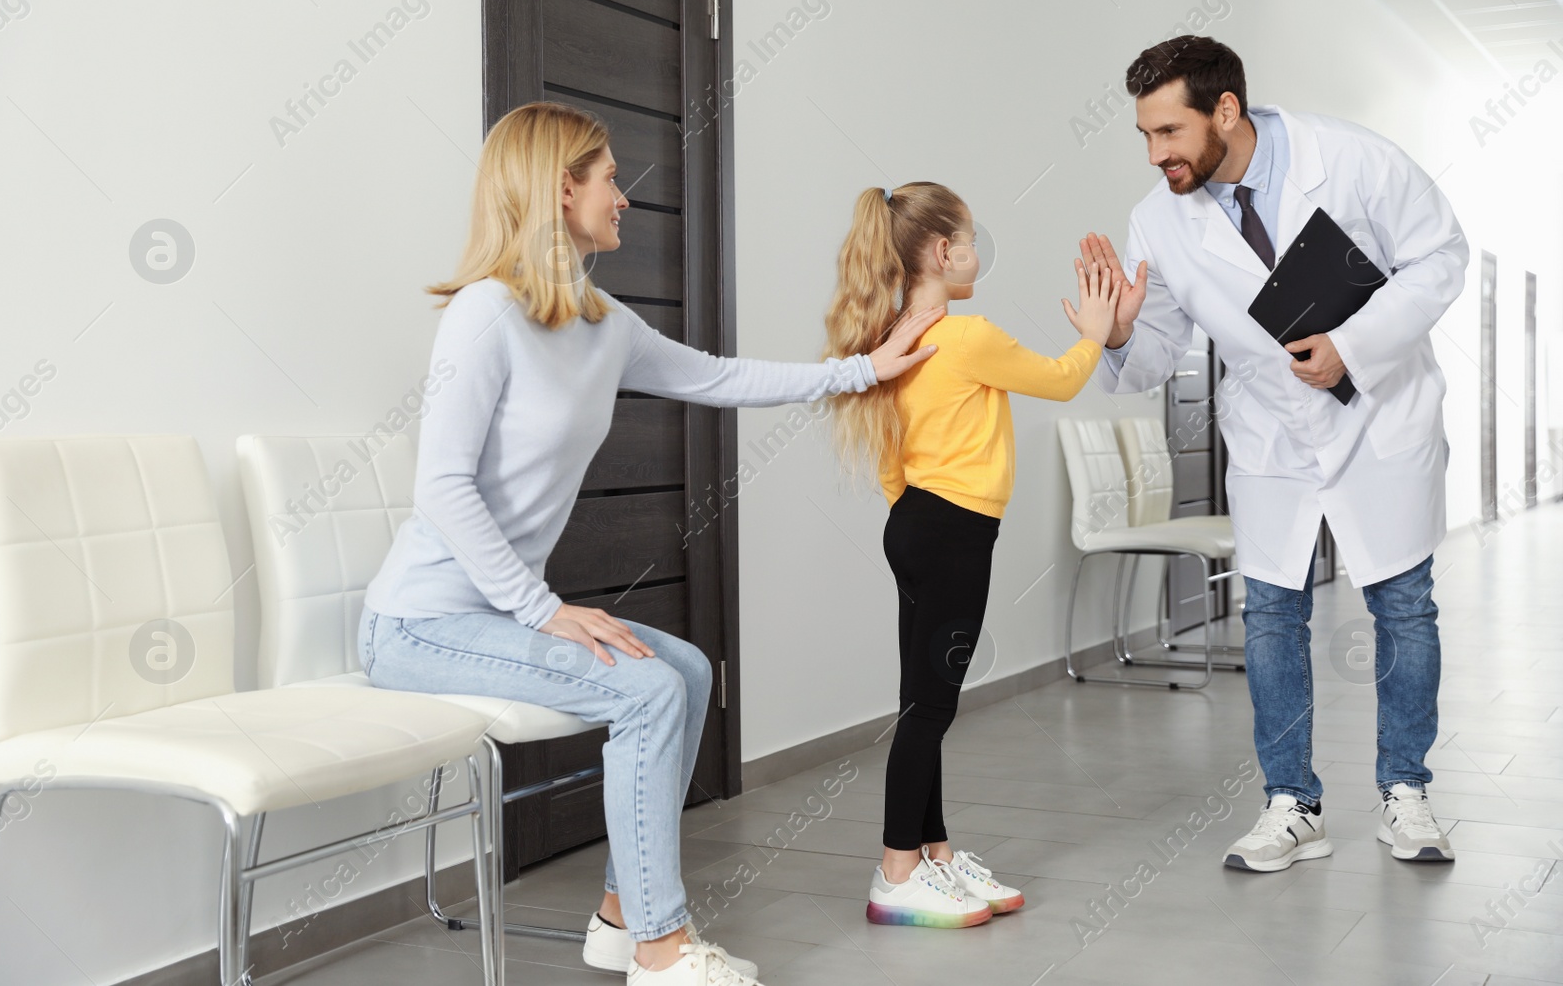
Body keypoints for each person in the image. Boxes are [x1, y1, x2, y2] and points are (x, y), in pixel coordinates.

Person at [358, 101, 943, 986]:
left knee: (691, 672)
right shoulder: (483, 315)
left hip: (500, 618)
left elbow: (722, 376)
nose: (622, 196)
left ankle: (619, 917)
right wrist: (542, 608)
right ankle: (663, 952)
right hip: (419, 622)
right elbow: (441, 485)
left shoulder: (600, 323)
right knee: (643, 689)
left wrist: (866, 367)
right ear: (561, 189)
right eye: (607, 177)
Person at [1092, 35, 1465, 871]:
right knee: (1270, 614)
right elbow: (1155, 348)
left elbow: (1441, 257)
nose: (1158, 156)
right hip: (1270, 434)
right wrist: (1119, 333)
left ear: (1225, 111)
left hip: (1381, 412)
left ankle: (1406, 791)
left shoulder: (1354, 159)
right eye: (1145, 137)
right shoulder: (1157, 217)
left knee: (1404, 604)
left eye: (1170, 133)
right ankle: (1292, 804)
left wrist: (1354, 346)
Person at [822, 182, 1121, 925]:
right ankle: (896, 873)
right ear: (941, 251)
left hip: (914, 524)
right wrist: (1096, 327)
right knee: (933, 707)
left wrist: (914, 518)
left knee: (920, 698)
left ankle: (936, 855)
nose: (977, 252)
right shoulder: (967, 334)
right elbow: (1060, 380)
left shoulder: (897, 336)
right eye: (970, 239)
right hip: (954, 532)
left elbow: (893, 456)